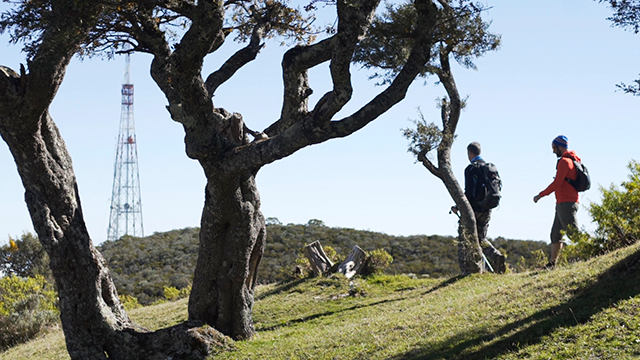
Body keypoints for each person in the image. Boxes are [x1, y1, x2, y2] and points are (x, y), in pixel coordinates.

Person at [451, 142, 506, 273]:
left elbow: (469, 192)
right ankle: (495, 255)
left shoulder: (471, 169)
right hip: (487, 209)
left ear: (470, 153)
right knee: (481, 238)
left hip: (473, 210)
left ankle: (470, 271)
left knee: (466, 239)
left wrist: (458, 206)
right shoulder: (490, 168)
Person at [533, 135, 580, 269]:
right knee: (555, 233)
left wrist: (540, 195)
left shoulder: (564, 162)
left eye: (554, 148)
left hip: (567, 202)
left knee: (573, 233)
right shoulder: (570, 161)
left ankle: (592, 254)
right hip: (563, 202)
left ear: (560, 147)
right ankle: (552, 264)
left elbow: (557, 183)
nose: (553, 151)